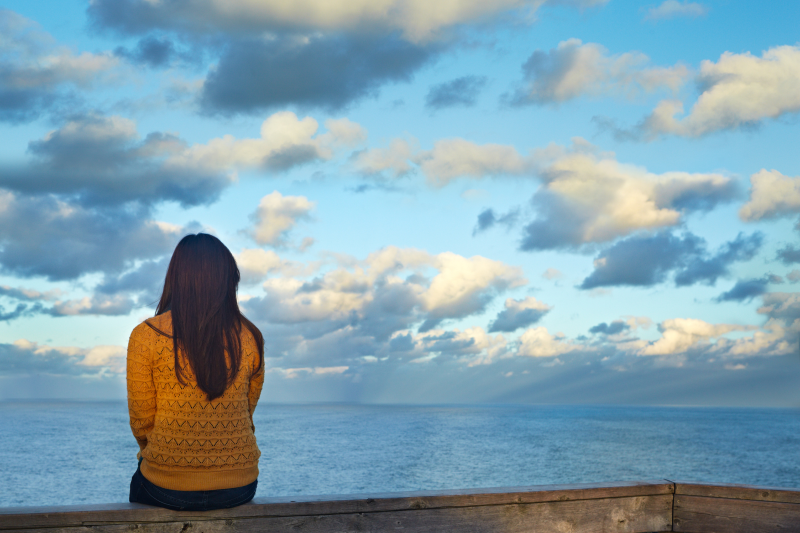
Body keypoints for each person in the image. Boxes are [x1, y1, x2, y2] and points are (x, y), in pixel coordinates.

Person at [126, 233, 265, 511]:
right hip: (238, 485)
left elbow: (141, 421)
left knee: (138, 483)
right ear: (228, 278)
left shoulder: (146, 335)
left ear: (176, 278)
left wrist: (164, 457)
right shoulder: (250, 336)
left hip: (167, 486)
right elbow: (246, 411)